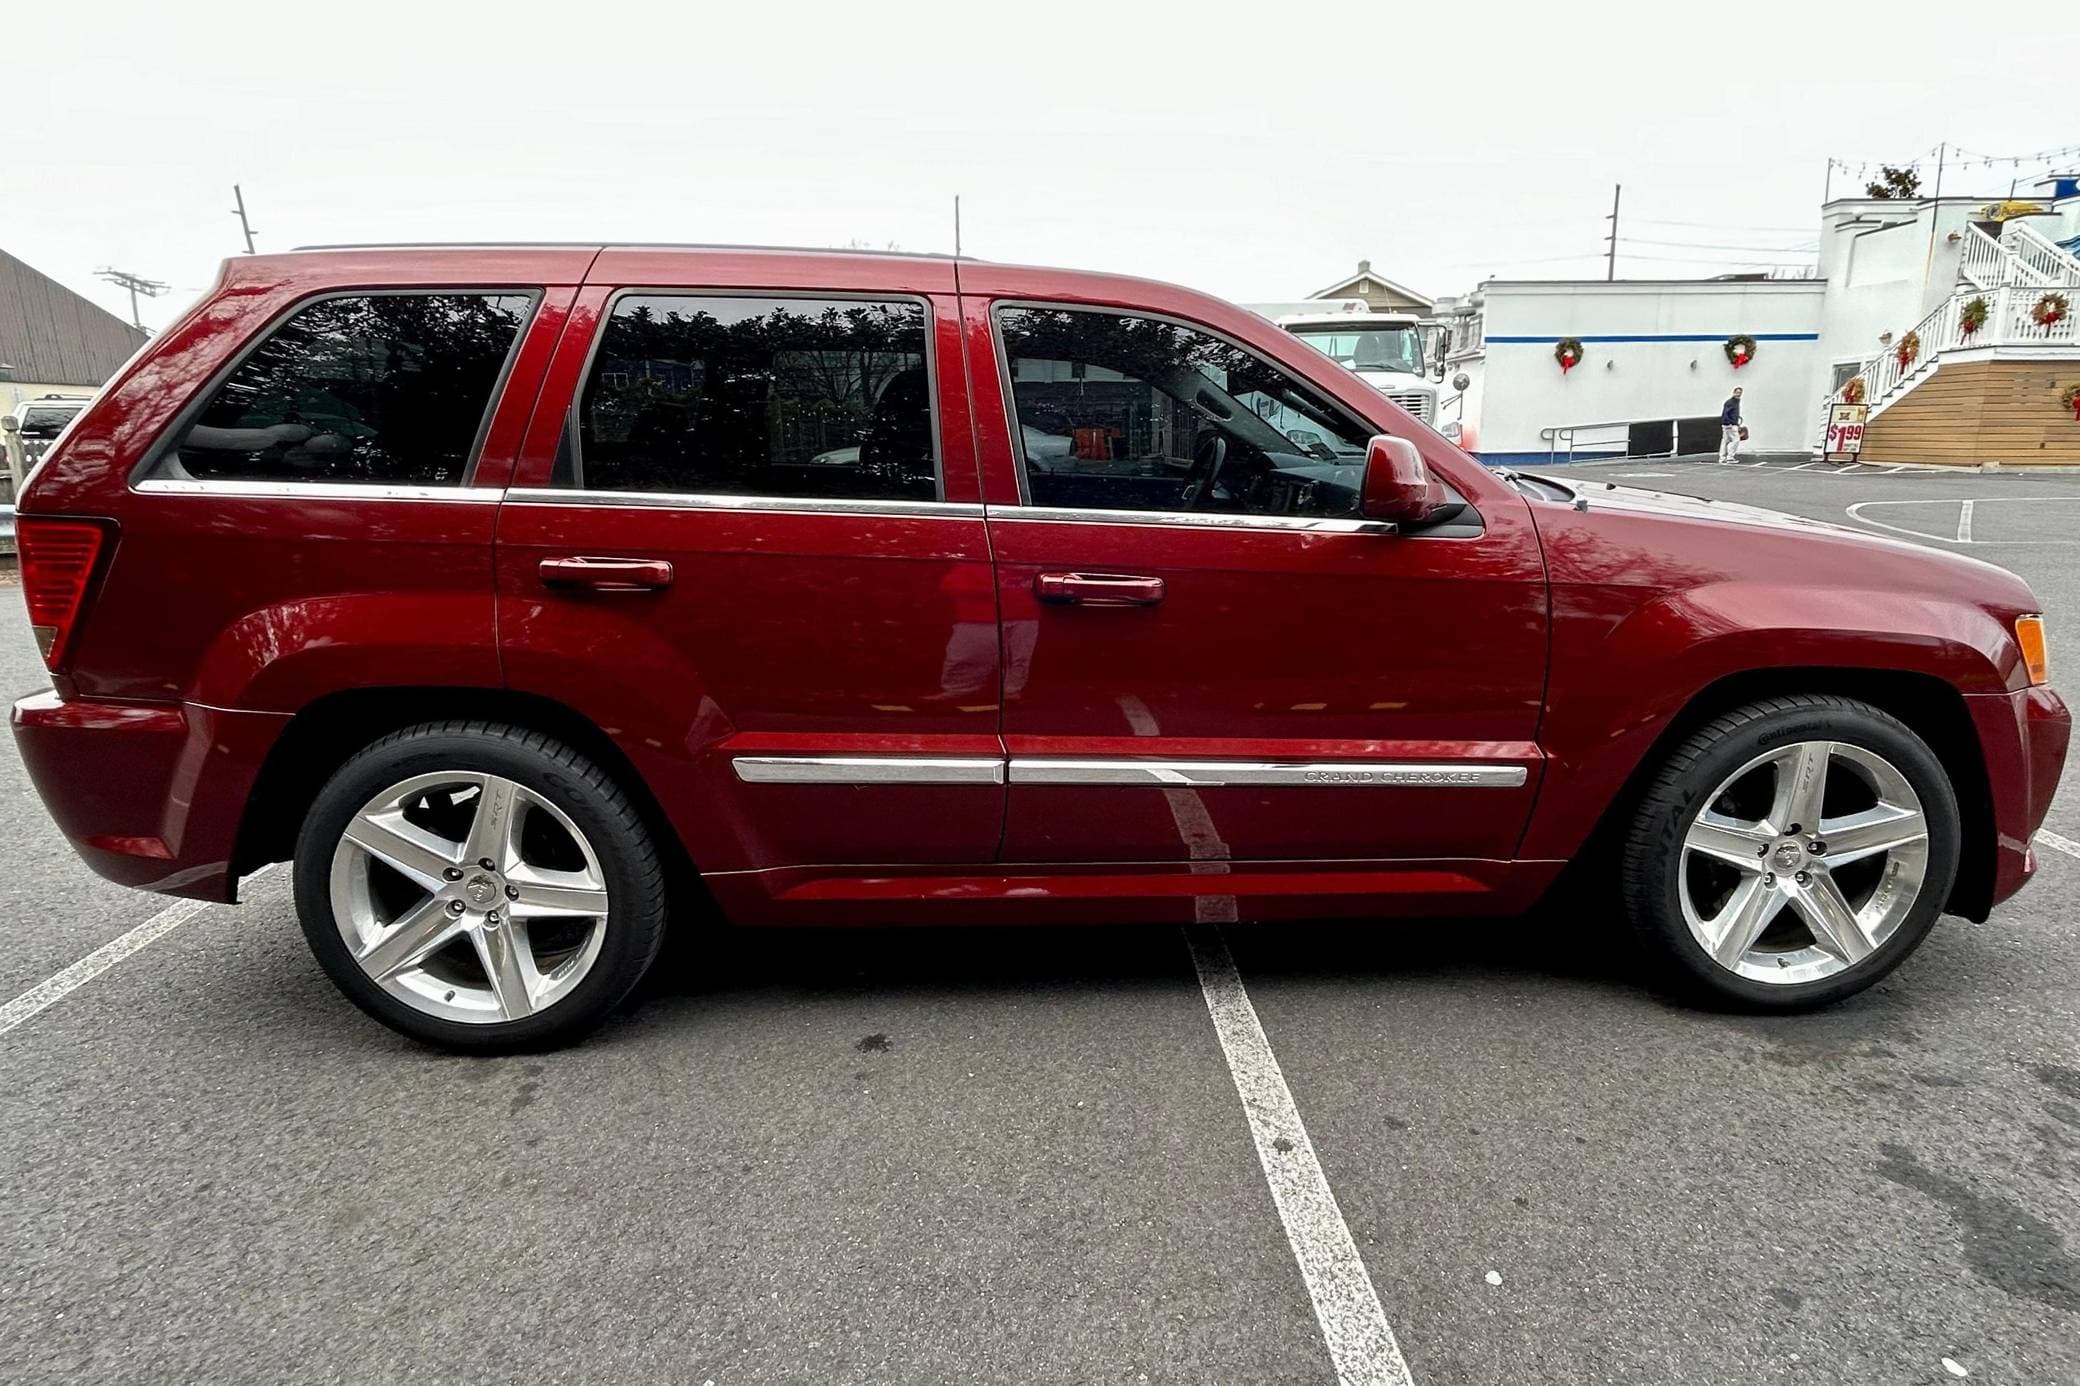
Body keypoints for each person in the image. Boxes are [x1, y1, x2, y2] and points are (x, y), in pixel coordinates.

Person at [1718, 387, 1744, 463]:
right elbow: (1725, 414)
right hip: (1730, 425)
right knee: (1736, 440)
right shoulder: (1730, 402)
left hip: (1729, 424)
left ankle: (1722, 458)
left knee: (1725, 441)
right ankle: (1730, 457)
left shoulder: (1736, 402)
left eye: (1740, 393)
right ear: (1734, 392)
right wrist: (1729, 423)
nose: (1738, 394)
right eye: (1737, 392)